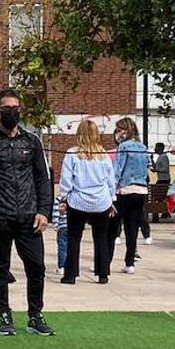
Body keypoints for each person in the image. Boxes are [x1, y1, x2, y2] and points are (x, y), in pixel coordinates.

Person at [0, 88, 54, 337]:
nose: (12, 113)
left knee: (37, 266)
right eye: (7, 109)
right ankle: (4, 314)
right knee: (1, 268)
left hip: (29, 216)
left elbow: (43, 179)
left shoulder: (32, 141)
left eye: (15, 109)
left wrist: (44, 211)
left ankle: (35, 315)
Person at [59, 120, 118, 285]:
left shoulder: (72, 154)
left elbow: (66, 179)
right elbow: (110, 181)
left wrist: (64, 197)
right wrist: (112, 199)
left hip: (78, 200)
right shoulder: (104, 156)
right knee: (101, 238)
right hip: (101, 201)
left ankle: (70, 275)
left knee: (74, 238)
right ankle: (103, 273)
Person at [111, 117, 149, 275]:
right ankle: (130, 262)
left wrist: (111, 189)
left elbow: (118, 169)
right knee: (132, 228)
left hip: (125, 189)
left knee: (112, 227)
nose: (118, 133)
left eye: (120, 130)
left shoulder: (123, 146)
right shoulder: (143, 146)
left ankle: (105, 262)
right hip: (140, 190)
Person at [152, 142, 172, 222]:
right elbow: (156, 167)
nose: (154, 149)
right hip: (161, 179)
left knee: (158, 195)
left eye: (156, 147)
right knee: (159, 196)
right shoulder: (160, 157)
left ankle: (165, 211)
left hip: (164, 179)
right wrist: (151, 160)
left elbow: (165, 169)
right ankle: (165, 212)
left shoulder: (164, 157)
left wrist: (156, 170)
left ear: (160, 148)